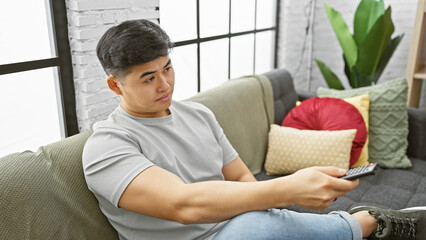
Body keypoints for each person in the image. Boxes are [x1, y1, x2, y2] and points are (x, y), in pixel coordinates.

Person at [82, 19, 425, 240]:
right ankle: (373, 223)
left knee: (266, 222)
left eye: (167, 68)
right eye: (148, 78)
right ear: (115, 86)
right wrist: (287, 190)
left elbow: (243, 180)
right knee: (261, 226)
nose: (165, 84)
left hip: (239, 225)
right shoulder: (108, 146)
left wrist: (279, 204)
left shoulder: (198, 114)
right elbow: (183, 207)